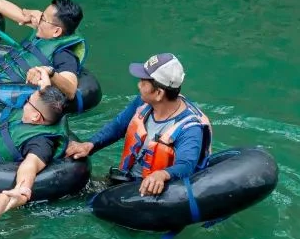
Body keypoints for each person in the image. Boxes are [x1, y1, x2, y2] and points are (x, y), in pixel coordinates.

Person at [65, 53, 212, 196]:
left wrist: (162, 175)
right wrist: (90, 144)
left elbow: (186, 165)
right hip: (128, 179)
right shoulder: (144, 102)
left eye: (143, 81)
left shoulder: (189, 128)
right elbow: (118, 125)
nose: (138, 85)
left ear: (159, 93)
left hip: (152, 192)